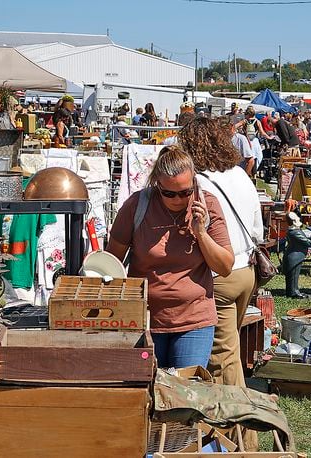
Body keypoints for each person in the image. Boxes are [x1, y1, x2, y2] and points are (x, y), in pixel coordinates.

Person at [106, 145, 234, 369]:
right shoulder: (137, 205)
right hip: (143, 320)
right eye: (169, 193)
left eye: (185, 192)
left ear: (194, 181)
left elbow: (224, 267)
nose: (178, 199)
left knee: (186, 393)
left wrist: (201, 232)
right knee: (144, 391)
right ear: (157, 184)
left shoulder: (208, 204)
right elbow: (111, 263)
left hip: (194, 320)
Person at [178, 116, 263, 394]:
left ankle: (236, 432)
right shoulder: (239, 174)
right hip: (246, 272)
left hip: (219, 277)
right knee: (229, 352)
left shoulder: (199, 183)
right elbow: (257, 229)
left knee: (221, 362)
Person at [282, 212, 311, 299]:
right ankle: (294, 293)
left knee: (294, 276)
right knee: (293, 276)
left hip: (295, 257)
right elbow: (309, 243)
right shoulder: (294, 232)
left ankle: (293, 291)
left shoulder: (294, 231)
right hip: (294, 258)